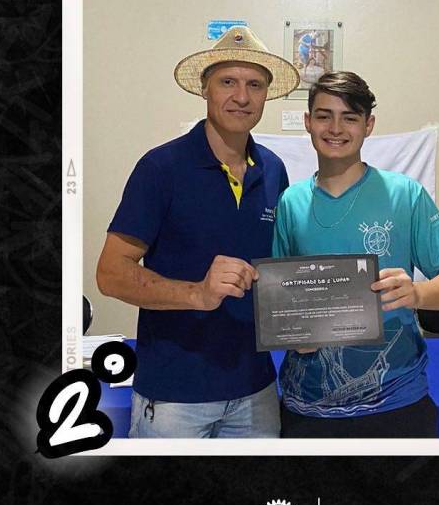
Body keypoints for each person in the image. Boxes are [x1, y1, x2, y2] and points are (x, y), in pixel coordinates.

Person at [96, 27, 299, 438]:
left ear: (266, 95)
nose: (241, 96)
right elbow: (110, 273)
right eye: (228, 82)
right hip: (175, 395)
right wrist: (197, 294)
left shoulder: (273, 170)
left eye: (254, 85)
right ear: (205, 88)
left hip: (256, 389)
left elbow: (277, 271)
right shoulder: (160, 168)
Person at [273, 71, 439, 437]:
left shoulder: (405, 195)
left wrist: (418, 293)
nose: (336, 128)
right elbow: (278, 299)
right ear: (308, 122)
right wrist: (290, 332)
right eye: (324, 116)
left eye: (349, 117)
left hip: (396, 401)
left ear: (368, 125)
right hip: (306, 405)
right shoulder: (290, 202)